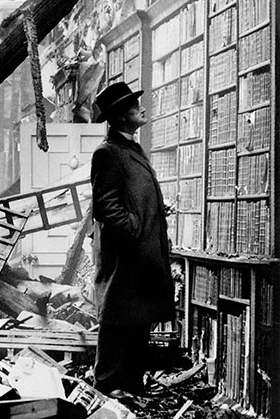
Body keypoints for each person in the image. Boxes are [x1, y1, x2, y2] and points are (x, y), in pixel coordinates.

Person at [90, 82, 175, 399]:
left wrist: (151, 210)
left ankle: (131, 387)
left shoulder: (130, 150)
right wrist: (134, 227)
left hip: (141, 254)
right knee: (117, 321)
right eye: (132, 104)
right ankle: (109, 386)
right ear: (119, 116)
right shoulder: (108, 153)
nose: (141, 107)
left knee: (137, 319)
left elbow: (130, 196)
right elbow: (106, 206)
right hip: (126, 255)